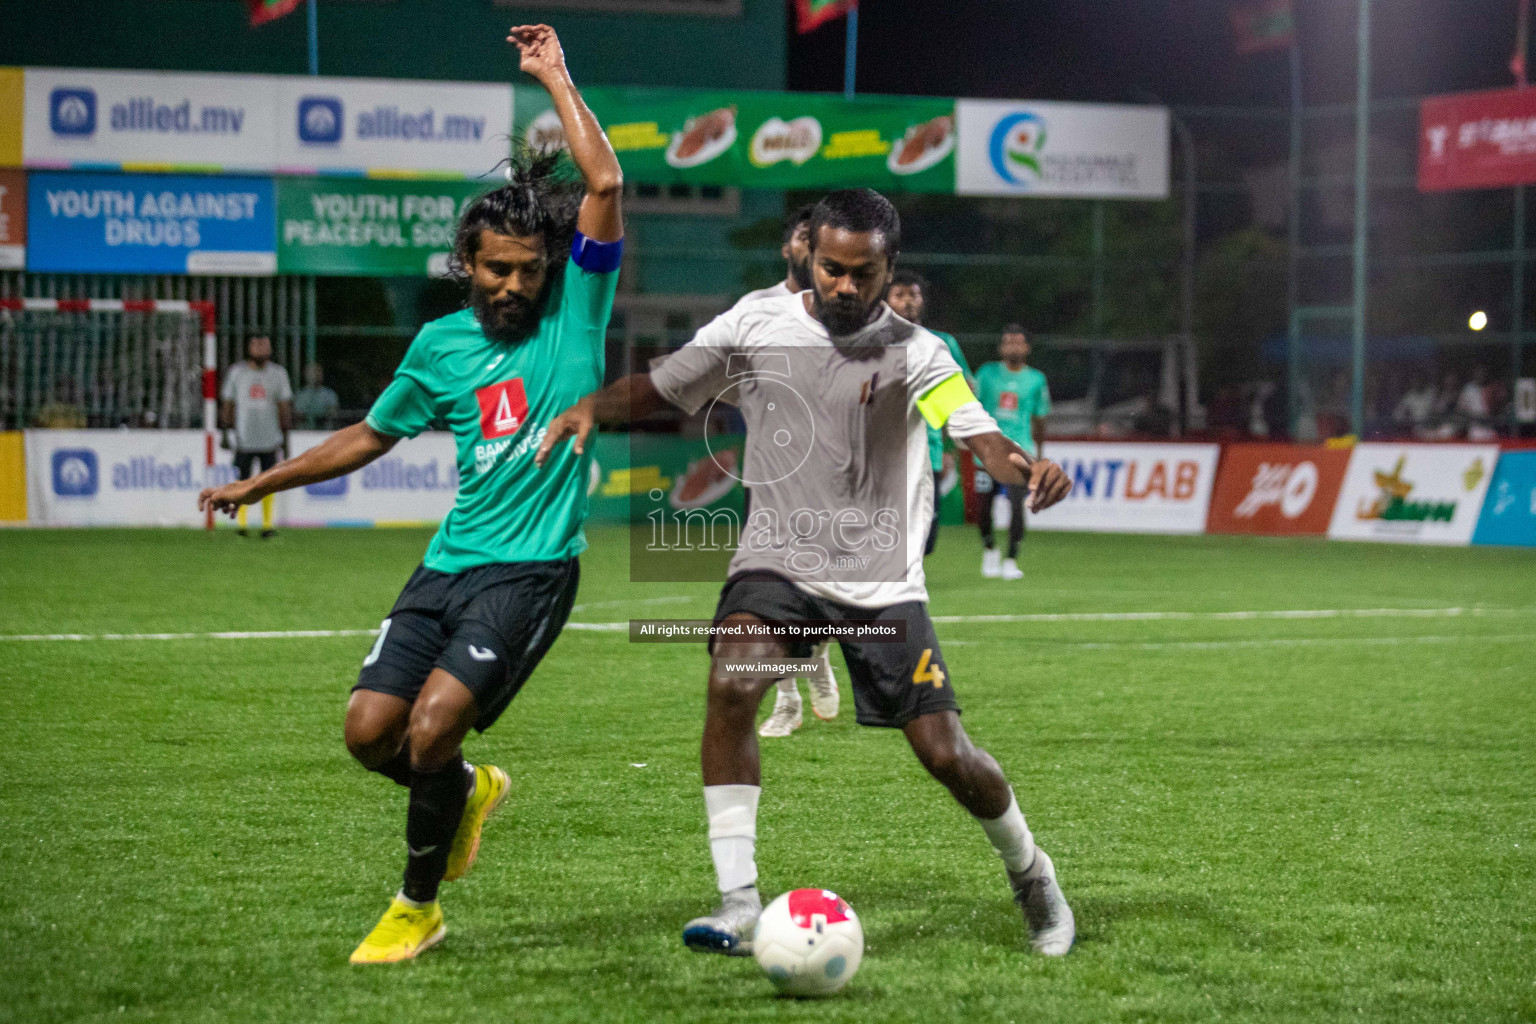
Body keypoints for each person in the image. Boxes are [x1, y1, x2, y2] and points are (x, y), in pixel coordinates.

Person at [536, 188, 1077, 958]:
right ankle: (738, 901)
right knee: (732, 682)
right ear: (808, 256)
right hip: (778, 561)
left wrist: (1027, 469)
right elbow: (665, 385)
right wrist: (594, 406)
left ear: (889, 270)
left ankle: (1031, 872)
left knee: (945, 754)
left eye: (863, 273)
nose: (845, 286)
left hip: (880, 580)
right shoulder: (754, 320)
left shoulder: (918, 350)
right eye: (831, 268)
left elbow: (980, 434)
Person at [198, 23, 623, 964]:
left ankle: (416, 906)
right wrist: (263, 481)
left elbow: (604, 186)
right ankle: (467, 790)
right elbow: (369, 434)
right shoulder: (438, 348)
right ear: (464, 265)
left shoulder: (577, 310)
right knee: (368, 733)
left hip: (531, 572)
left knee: (431, 727)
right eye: (496, 269)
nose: (514, 284)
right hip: (446, 566)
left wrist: (554, 75)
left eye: (527, 269)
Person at [735, 204, 840, 740]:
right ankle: (787, 700)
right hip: (773, 477)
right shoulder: (758, 308)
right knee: (768, 590)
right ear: (789, 249)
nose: (809, 246)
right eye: (803, 237)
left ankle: (815, 658)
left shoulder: (847, 311)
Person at [885, 269, 971, 556]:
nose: (907, 301)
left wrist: (949, 446)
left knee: (926, 539)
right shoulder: (873, 342)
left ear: (922, 300)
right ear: (886, 301)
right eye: (899, 295)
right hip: (883, 455)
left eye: (913, 294)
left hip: (928, 452)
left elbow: (962, 394)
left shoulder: (941, 343)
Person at [973, 325, 1050, 581]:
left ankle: (1011, 559)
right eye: (1008, 342)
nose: (1013, 346)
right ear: (1000, 347)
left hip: (1020, 452)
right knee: (983, 508)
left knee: (1017, 505)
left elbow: (1039, 419)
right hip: (987, 452)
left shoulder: (1036, 379)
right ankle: (989, 549)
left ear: (1027, 347)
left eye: (1018, 342)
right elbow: (972, 407)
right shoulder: (986, 374)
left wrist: (1038, 452)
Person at [219, 336, 293, 538]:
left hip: (270, 438)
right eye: (256, 345)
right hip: (244, 439)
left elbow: (284, 406)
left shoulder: (278, 374)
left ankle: (267, 526)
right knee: (242, 481)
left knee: (268, 483)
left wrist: (285, 440)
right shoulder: (237, 373)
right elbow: (228, 403)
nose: (260, 349)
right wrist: (225, 433)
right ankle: (241, 525)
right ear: (248, 348)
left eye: (264, 345)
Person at [293, 363, 341, 430]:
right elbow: (298, 415)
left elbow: (333, 414)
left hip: (325, 433)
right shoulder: (300, 395)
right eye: (313, 371)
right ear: (306, 375)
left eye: (319, 371)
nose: (317, 374)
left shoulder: (330, 394)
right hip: (304, 433)